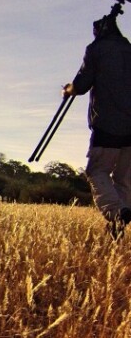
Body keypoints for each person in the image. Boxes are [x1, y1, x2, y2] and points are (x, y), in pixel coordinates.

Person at [63, 15, 131, 239]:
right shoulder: (128, 49)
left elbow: (81, 85)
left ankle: (116, 212)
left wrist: (69, 89)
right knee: (124, 178)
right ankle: (118, 229)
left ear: (99, 31)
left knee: (96, 171)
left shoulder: (96, 49)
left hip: (107, 126)